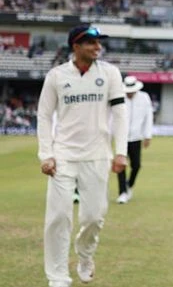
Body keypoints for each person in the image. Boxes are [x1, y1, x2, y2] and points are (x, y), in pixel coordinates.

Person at [36, 24, 128, 287]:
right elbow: (44, 115)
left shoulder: (110, 73)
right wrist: (46, 154)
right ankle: (57, 277)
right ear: (76, 47)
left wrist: (120, 152)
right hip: (63, 155)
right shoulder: (56, 75)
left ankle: (85, 254)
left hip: (97, 155)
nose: (97, 47)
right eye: (91, 42)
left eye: (98, 42)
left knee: (93, 217)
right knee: (58, 217)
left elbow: (120, 115)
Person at [116, 75, 154, 204]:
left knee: (136, 165)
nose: (129, 94)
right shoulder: (119, 98)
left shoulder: (144, 98)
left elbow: (148, 117)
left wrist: (147, 135)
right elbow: (113, 117)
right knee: (121, 165)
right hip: (121, 137)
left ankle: (129, 185)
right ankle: (122, 192)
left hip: (136, 137)